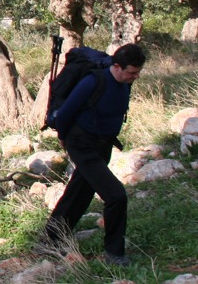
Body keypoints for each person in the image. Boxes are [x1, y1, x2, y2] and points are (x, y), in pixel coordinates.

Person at [43, 43, 147, 267]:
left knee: (82, 188)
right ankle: (114, 253)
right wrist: (64, 138)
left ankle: (52, 236)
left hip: (103, 144)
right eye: (131, 72)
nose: (135, 77)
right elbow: (65, 114)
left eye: (138, 72)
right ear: (117, 66)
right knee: (116, 195)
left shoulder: (124, 83)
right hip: (82, 144)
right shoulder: (93, 81)